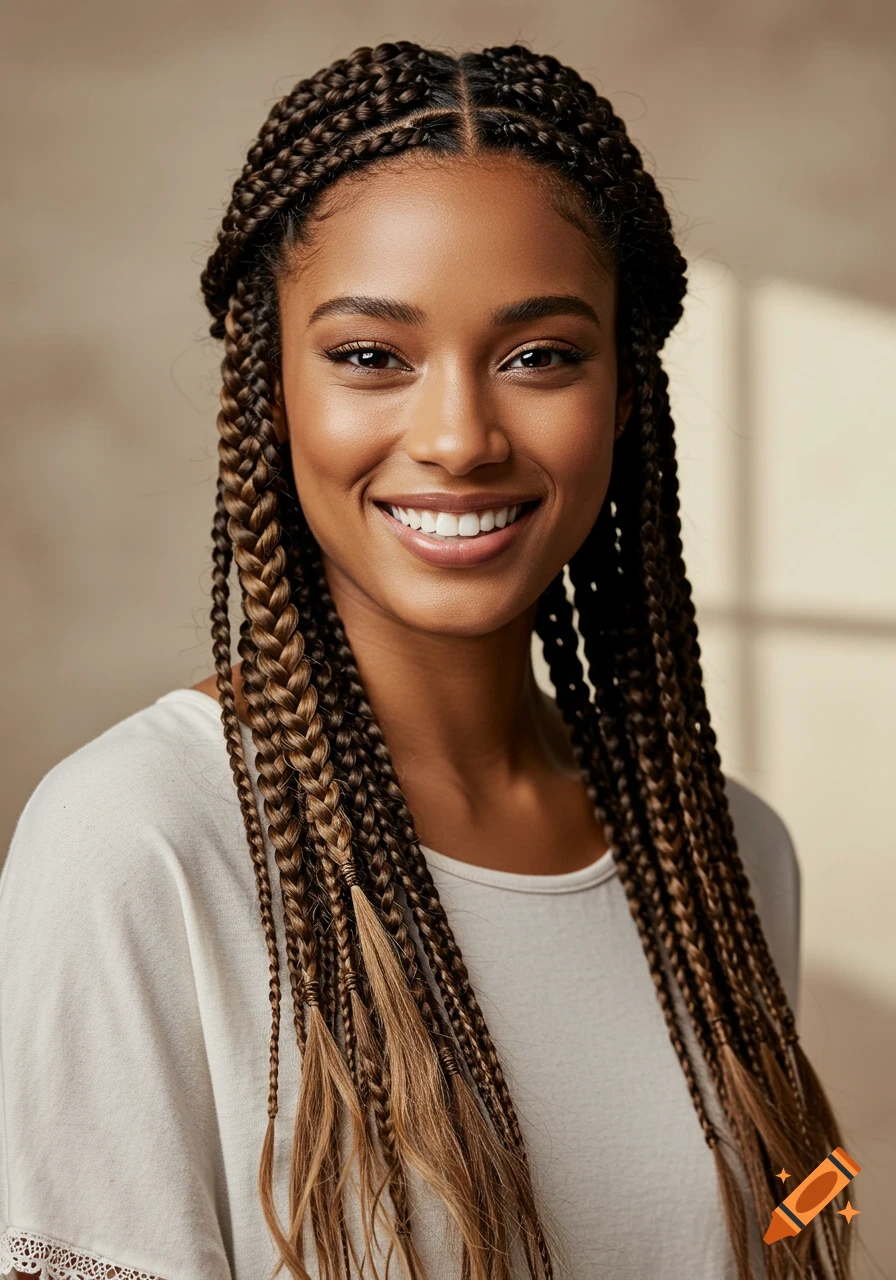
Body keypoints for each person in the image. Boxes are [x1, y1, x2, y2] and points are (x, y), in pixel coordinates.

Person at [0, 40, 854, 1280]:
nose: (457, 436)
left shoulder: (721, 857)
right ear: (271, 388)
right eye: (368, 356)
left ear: (622, 389)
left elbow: (789, 1224)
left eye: (539, 355)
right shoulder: (138, 842)